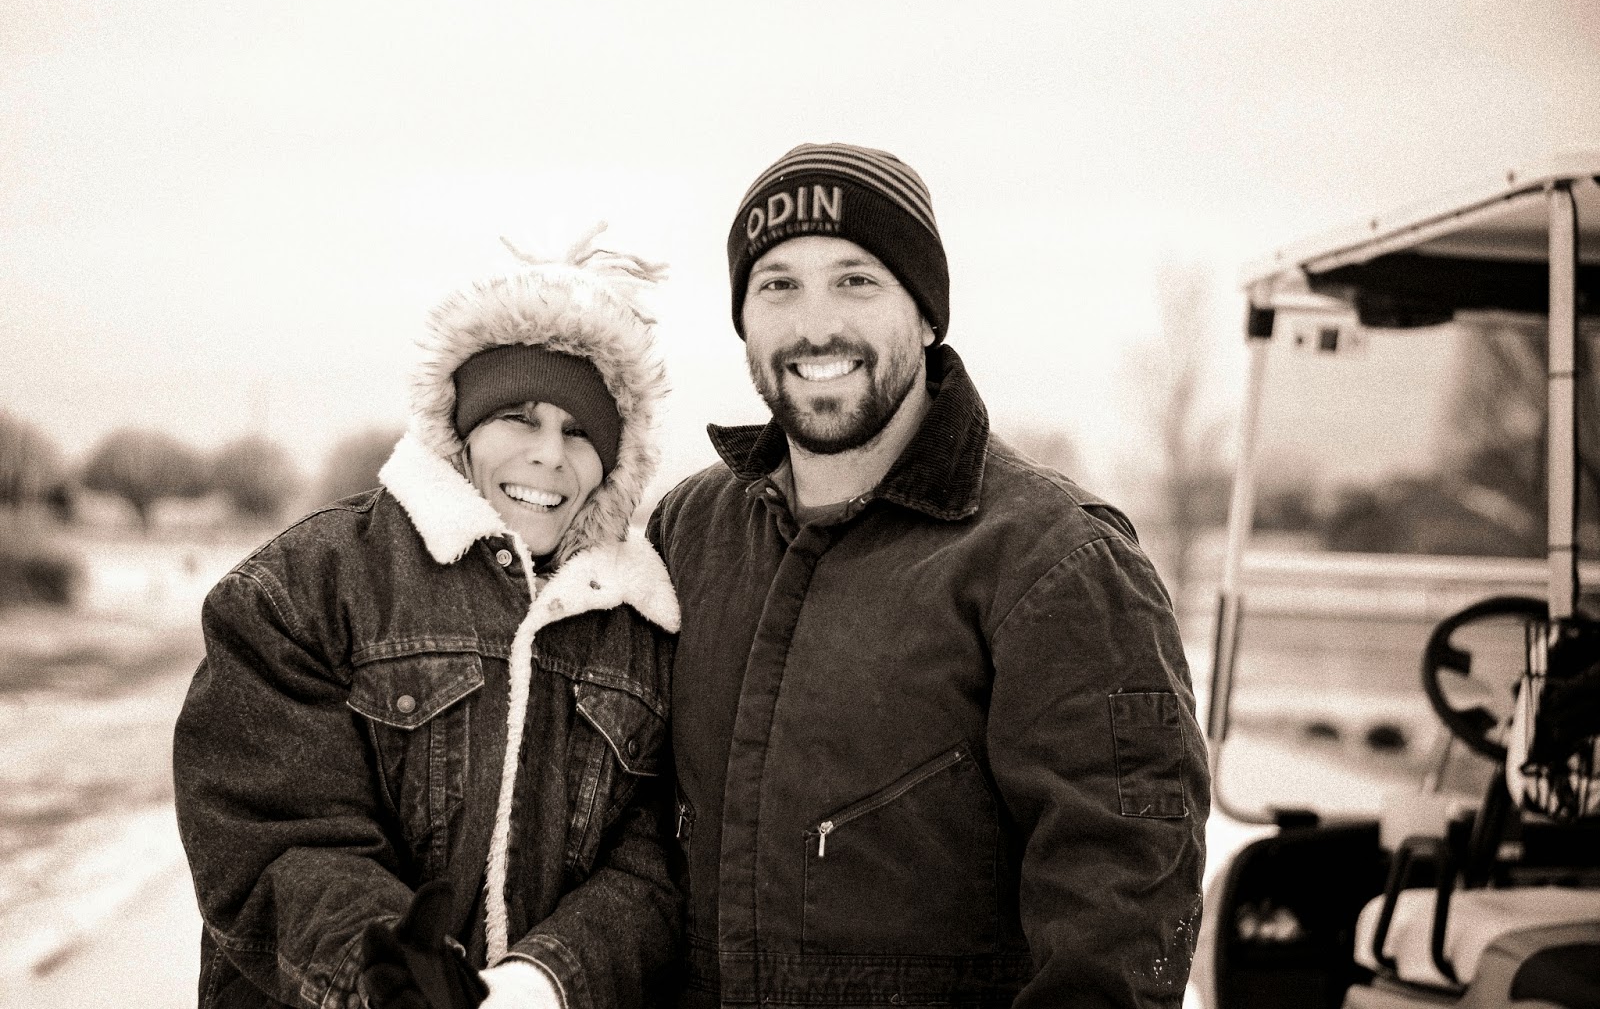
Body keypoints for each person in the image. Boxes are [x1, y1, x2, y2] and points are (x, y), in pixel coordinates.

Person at [648, 144, 1209, 1008]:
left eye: (856, 280)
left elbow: (1120, 917)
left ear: (925, 315)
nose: (815, 326)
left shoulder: (1056, 563)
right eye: (778, 285)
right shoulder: (688, 532)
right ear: (744, 320)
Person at [174, 232, 682, 1009]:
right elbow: (278, 833)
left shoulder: (640, 625)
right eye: (519, 417)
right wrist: (392, 976)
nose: (550, 455)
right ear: (461, 427)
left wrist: (543, 983)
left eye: (579, 430)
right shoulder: (310, 585)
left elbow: (650, 865)